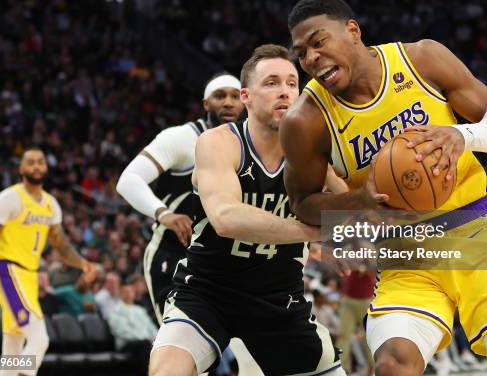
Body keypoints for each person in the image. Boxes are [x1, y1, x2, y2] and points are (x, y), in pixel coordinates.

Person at [283, 0, 487, 376]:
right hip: (404, 252)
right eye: (301, 53)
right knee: (392, 365)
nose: (311, 58)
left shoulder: (421, 59)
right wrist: (359, 199)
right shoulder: (305, 120)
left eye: (319, 42)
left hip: (473, 231)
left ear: (353, 31)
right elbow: (302, 202)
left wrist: (461, 136)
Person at [149, 44, 346, 376]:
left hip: (279, 301)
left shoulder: (312, 152)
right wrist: (315, 233)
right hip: (208, 292)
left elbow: (358, 215)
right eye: (271, 83)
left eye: (291, 83)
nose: (284, 91)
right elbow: (226, 218)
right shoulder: (218, 142)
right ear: (246, 96)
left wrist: (351, 234)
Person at [116, 72, 244, 322]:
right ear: (206, 103)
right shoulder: (182, 137)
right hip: (175, 253)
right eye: (220, 96)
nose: (228, 102)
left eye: (234, 96)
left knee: (238, 354)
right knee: (178, 346)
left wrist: (333, 246)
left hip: (226, 258)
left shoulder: (251, 143)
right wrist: (164, 214)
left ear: (246, 100)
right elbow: (128, 180)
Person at [0, 147, 96, 376]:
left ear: (46, 167)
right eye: (31, 162)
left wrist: (83, 263)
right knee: (39, 338)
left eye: (40, 162)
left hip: (29, 276)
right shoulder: (8, 198)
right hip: (7, 271)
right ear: (21, 168)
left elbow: (61, 245)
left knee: (12, 349)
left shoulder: (51, 204)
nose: (36, 166)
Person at [108, 281, 159, 376]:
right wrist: (146, 338)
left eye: (130, 291)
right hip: (126, 345)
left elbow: (151, 327)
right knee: (145, 345)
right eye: (125, 291)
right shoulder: (116, 311)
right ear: (120, 294)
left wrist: (156, 337)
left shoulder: (140, 310)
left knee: (159, 345)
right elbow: (122, 332)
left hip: (145, 343)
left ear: (133, 294)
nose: (128, 294)